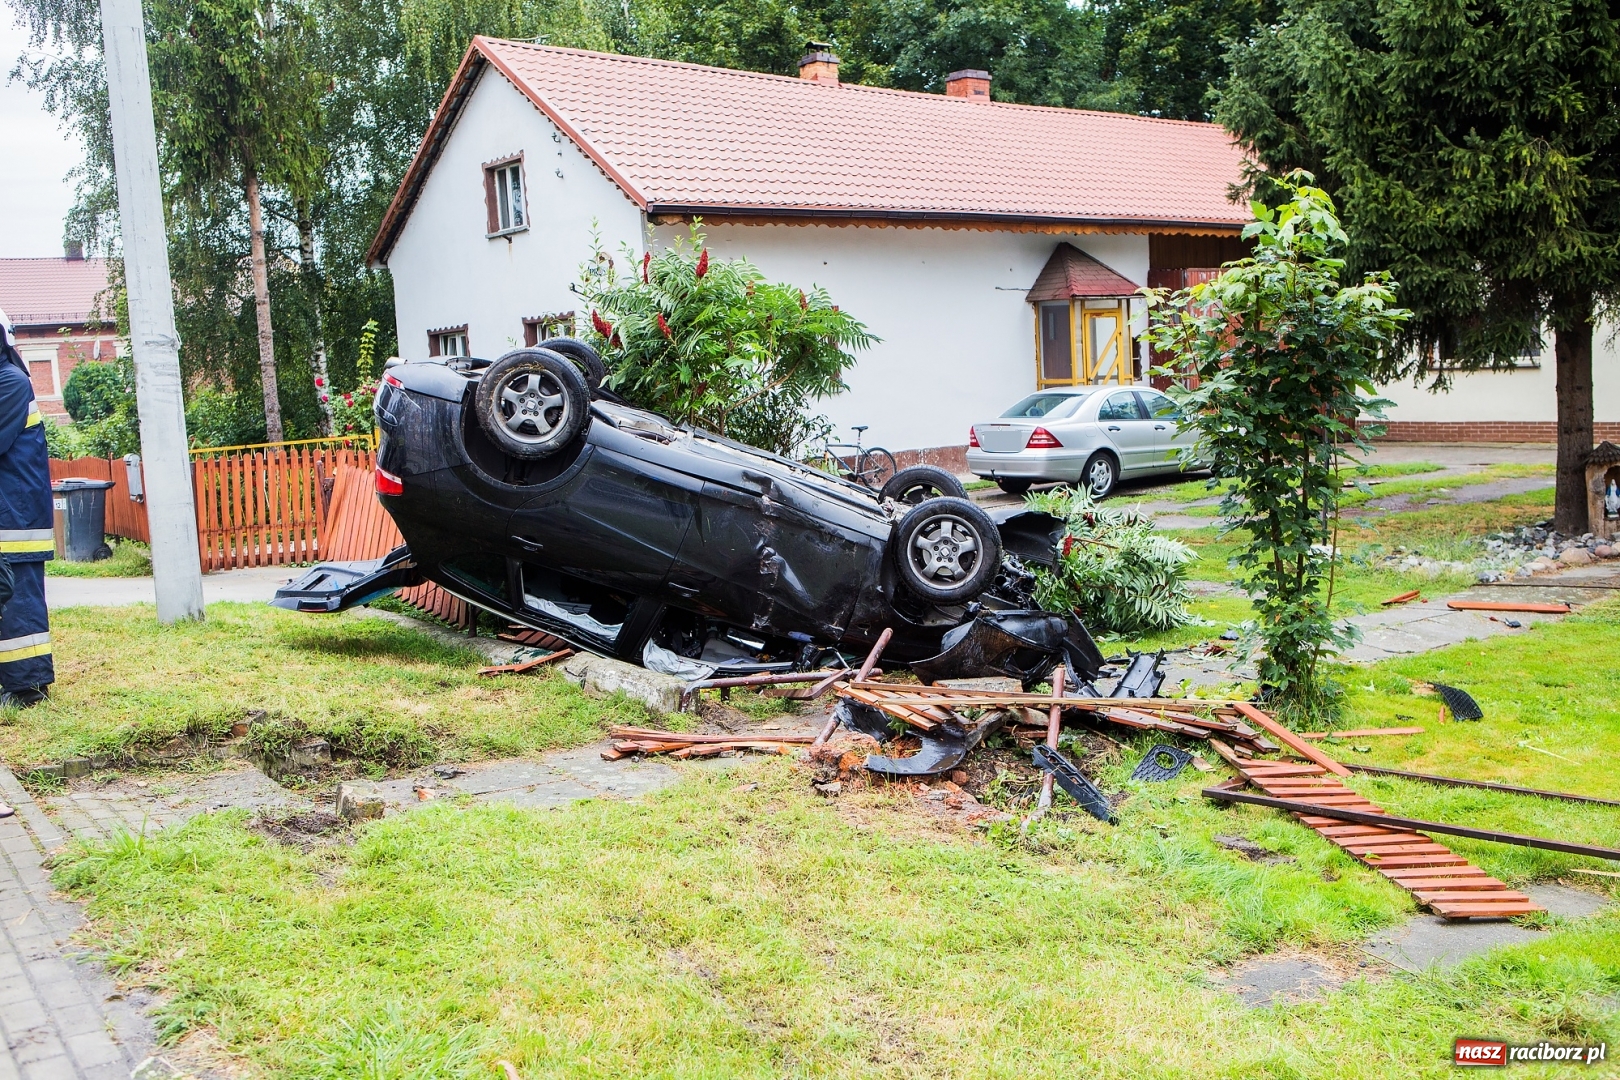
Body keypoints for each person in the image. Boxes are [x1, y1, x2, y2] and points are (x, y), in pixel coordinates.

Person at [0, 307, 55, 715]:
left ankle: (29, 688)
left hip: (15, 521)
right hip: (8, 514)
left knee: (19, 606)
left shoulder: (10, 383)